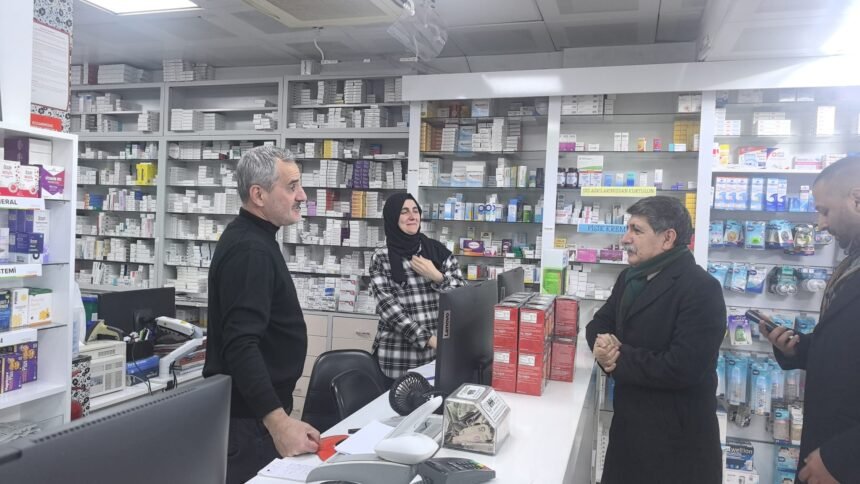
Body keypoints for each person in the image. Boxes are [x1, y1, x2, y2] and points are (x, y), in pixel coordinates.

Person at [585, 196, 726, 484]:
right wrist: (602, 345)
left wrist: (615, 358)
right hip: (629, 434)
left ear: (667, 238)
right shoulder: (629, 278)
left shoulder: (701, 288)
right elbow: (599, 323)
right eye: (628, 229)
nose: (625, 239)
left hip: (676, 448)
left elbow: (683, 367)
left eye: (636, 230)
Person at [203, 146, 320, 484]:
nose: (302, 195)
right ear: (258, 195)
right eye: (292, 186)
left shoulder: (257, 238)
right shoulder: (250, 249)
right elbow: (241, 345)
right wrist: (279, 423)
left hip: (255, 417)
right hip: (248, 423)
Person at [760, 156, 860, 484]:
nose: (820, 224)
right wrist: (797, 349)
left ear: (857, 199)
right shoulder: (852, 263)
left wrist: (843, 457)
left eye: (825, 211)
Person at [369, 193, 467, 380]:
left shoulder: (437, 251)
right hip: (398, 357)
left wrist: (437, 277)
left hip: (436, 356)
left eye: (415, 211)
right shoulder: (381, 258)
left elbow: (462, 294)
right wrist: (429, 339)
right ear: (392, 217)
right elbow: (389, 310)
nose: (412, 216)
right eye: (404, 212)